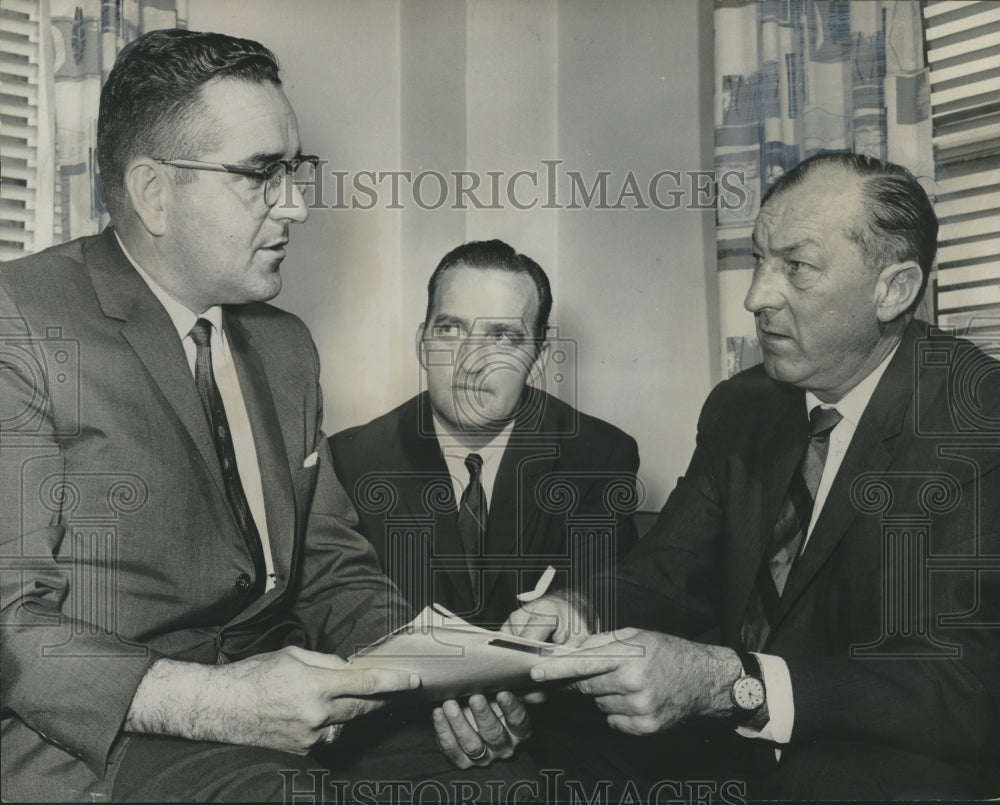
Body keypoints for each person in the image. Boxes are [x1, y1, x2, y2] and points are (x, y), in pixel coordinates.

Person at [0, 30, 533, 803]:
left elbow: (329, 571)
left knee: (511, 778)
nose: (299, 205)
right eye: (261, 175)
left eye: (296, 170)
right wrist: (225, 702)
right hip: (108, 739)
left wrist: (445, 674)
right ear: (154, 191)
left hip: (290, 708)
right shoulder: (19, 320)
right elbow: (11, 622)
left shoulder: (284, 347)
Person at [509, 153, 1000, 800]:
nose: (755, 296)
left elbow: (966, 686)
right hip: (738, 748)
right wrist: (576, 608)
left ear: (894, 289)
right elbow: (669, 569)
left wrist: (732, 682)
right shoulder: (745, 405)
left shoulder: (977, 420)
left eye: (795, 267)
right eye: (758, 259)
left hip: (887, 759)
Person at [329, 239, 640, 629]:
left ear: (537, 358)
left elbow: (607, 609)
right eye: (451, 330)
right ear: (423, 345)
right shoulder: (350, 462)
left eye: (503, 338)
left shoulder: (597, 459)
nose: (471, 364)